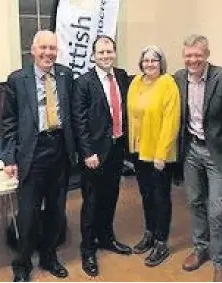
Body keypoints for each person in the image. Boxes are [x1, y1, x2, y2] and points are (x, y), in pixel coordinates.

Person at [1, 30, 76, 282]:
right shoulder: (17, 79)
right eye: (43, 48)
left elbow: (73, 116)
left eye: (52, 48)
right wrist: (9, 158)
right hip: (32, 154)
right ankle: (22, 265)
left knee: (56, 211)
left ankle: (49, 257)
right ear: (32, 50)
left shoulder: (66, 75)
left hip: (60, 152)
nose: (48, 53)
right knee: (28, 214)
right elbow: (9, 122)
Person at [174, 34, 222, 282]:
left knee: (217, 210)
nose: (192, 59)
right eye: (188, 55)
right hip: (191, 150)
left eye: (197, 55)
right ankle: (200, 247)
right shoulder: (179, 78)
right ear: (183, 55)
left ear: (207, 55)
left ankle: (221, 261)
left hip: (218, 153)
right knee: (194, 202)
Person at [72, 35, 132, 277]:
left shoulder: (122, 75)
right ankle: (87, 249)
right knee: (92, 202)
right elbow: (79, 120)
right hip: (94, 154)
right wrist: (87, 152)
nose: (106, 56)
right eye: (101, 53)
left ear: (114, 53)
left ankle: (106, 238)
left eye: (109, 52)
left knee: (111, 197)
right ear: (93, 56)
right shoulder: (84, 82)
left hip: (117, 149)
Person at [127, 45, 180, 267]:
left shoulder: (168, 84)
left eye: (154, 61)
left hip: (159, 153)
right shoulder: (136, 82)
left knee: (161, 197)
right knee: (146, 195)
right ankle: (149, 233)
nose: (149, 64)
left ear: (161, 63)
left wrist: (161, 154)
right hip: (139, 152)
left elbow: (171, 121)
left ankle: (161, 242)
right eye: (146, 60)